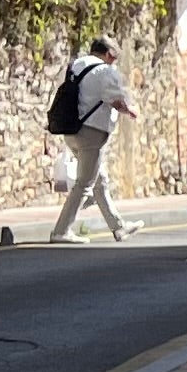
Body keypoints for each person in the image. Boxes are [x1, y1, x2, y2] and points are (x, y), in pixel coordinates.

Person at [45, 36, 138, 241]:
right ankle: (61, 231)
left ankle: (118, 226)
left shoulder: (77, 65)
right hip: (91, 132)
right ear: (107, 54)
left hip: (71, 130)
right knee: (85, 183)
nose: (114, 61)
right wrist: (129, 110)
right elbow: (115, 100)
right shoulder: (104, 71)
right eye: (113, 56)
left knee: (100, 179)